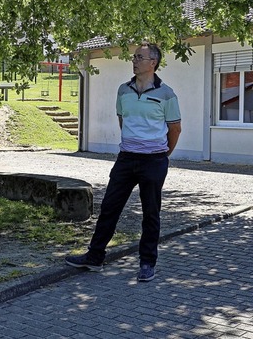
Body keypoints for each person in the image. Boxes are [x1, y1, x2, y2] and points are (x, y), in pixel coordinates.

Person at [65, 42, 181, 282]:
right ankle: (94, 257)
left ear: (153, 63)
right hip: (126, 158)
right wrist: (134, 144)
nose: (134, 60)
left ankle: (147, 263)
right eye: (134, 56)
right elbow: (122, 120)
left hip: (154, 161)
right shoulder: (123, 90)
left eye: (140, 57)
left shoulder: (167, 94)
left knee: (151, 213)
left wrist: (162, 154)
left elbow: (175, 129)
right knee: (109, 207)